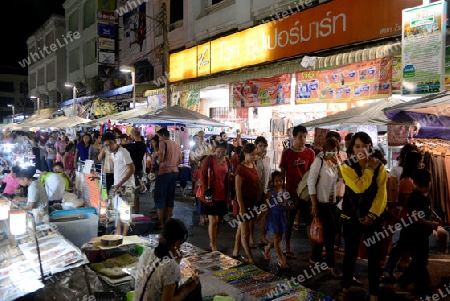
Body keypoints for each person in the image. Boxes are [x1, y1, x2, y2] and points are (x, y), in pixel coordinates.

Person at [337, 132, 388, 301]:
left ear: (370, 147)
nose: (362, 150)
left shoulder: (380, 167)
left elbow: (382, 193)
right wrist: (369, 169)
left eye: (365, 146)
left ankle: (374, 292)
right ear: (351, 148)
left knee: (374, 256)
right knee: (350, 254)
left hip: (373, 218)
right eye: (357, 146)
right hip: (351, 217)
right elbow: (360, 187)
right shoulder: (346, 166)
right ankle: (345, 287)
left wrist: (373, 214)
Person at [389, 169, 441, 297]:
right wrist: (432, 224)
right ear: (416, 184)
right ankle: (405, 283)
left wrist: (435, 216)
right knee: (420, 261)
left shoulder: (426, 195)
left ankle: (421, 285)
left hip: (423, 235)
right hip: (413, 234)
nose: (425, 188)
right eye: (423, 186)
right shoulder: (414, 197)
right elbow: (417, 218)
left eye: (427, 186)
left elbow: (429, 209)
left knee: (421, 261)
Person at [133, 218, 200, 301]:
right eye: (181, 243)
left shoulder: (148, 253)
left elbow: (160, 270)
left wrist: (176, 262)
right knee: (196, 287)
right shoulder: (171, 266)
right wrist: (187, 290)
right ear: (176, 243)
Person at [279, 124, 315, 259]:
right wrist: (282, 192)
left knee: (309, 221)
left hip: (306, 193)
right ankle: (287, 247)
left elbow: (312, 173)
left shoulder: (310, 153)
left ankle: (314, 248)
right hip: (291, 192)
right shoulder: (287, 153)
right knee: (289, 221)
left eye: (305, 137)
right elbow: (282, 173)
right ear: (293, 138)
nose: (303, 139)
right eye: (300, 137)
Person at [308, 137, 343, 278]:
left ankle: (314, 259)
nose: (333, 153)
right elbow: (311, 182)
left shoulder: (336, 162)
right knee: (330, 233)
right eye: (330, 150)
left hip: (333, 203)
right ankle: (331, 265)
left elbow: (343, 178)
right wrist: (314, 203)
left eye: (335, 150)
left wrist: (337, 164)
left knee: (326, 232)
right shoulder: (319, 161)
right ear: (324, 150)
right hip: (321, 203)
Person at [102, 131, 135, 236]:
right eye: (106, 145)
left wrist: (120, 183)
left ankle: (124, 236)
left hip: (126, 186)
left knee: (125, 212)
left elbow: (132, 169)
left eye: (111, 143)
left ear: (115, 142)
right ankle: (118, 234)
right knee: (113, 211)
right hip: (117, 185)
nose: (109, 146)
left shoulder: (123, 152)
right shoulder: (113, 154)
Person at [200, 142, 231, 251]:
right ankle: (213, 246)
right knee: (213, 221)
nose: (220, 154)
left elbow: (228, 177)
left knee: (217, 221)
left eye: (223, 153)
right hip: (211, 194)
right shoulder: (209, 160)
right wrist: (205, 190)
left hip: (222, 195)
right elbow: (202, 176)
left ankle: (212, 242)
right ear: (215, 150)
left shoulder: (227, 161)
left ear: (226, 152)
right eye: (218, 152)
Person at [231, 143, 259, 264]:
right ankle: (250, 257)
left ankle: (235, 252)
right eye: (252, 154)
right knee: (245, 233)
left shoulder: (253, 165)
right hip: (243, 203)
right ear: (245, 154)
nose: (254, 157)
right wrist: (241, 207)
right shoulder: (240, 169)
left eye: (255, 154)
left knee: (241, 229)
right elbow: (238, 190)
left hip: (251, 202)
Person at [261, 170, 290, 269]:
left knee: (279, 237)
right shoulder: (270, 193)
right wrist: (260, 216)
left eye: (281, 180)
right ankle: (281, 259)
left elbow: (286, 204)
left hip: (281, 217)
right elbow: (266, 206)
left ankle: (267, 248)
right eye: (277, 181)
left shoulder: (285, 192)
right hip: (273, 217)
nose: (279, 183)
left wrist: (289, 206)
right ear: (272, 182)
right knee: (277, 239)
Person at [154, 128, 181, 229]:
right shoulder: (176, 145)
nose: (159, 138)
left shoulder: (163, 143)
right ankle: (168, 220)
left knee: (160, 196)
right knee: (170, 196)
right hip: (174, 172)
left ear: (163, 135)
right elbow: (180, 160)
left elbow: (161, 157)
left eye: (159, 136)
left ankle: (160, 222)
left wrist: (156, 157)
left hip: (164, 172)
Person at [124, 128, 147, 214]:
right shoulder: (143, 145)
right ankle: (136, 212)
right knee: (136, 193)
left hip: (132, 170)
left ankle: (130, 212)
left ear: (133, 135)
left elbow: (126, 147)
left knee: (130, 192)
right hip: (139, 169)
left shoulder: (134, 146)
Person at [254, 136, 271, 247]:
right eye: (260, 146)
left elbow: (269, 174)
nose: (262, 148)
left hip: (266, 189)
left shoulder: (267, 159)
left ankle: (262, 237)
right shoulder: (254, 159)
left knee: (266, 212)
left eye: (264, 146)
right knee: (253, 214)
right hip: (256, 190)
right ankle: (250, 238)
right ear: (256, 146)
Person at [193, 155, 208, 226]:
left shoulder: (210, 172)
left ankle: (205, 217)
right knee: (200, 206)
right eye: (203, 162)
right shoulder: (198, 171)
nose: (204, 164)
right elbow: (194, 180)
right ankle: (202, 218)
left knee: (206, 205)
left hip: (207, 192)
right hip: (199, 193)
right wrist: (197, 182)